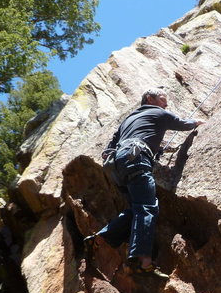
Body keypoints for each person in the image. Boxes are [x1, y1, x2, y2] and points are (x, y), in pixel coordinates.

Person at [83, 88, 204, 279]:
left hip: (118, 166)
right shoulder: (157, 112)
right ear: (150, 98)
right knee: (148, 207)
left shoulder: (129, 119)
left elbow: (110, 146)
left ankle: (103, 237)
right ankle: (143, 260)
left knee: (137, 208)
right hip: (136, 158)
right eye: (163, 99)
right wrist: (196, 123)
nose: (166, 104)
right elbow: (180, 123)